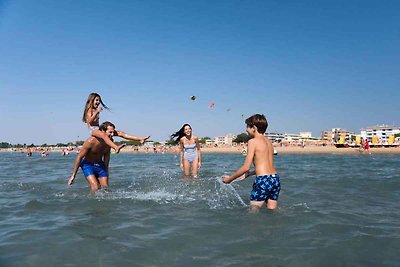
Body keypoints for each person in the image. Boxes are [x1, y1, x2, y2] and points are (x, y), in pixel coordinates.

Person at [222, 114, 281, 210]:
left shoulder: (252, 142)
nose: (246, 130)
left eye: (247, 127)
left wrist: (229, 179)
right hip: (275, 179)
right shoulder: (269, 142)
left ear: (254, 128)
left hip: (263, 180)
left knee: (253, 211)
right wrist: (250, 174)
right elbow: (266, 165)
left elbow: (246, 167)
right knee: (272, 210)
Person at [83, 93, 150, 153]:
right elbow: (89, 121)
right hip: (93, 129)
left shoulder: (95, 109)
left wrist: (97, 112)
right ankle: (115, 147)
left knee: (120, 133)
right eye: (97, 100)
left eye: (99, 100)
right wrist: (97, 112)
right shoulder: (89, 110)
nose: (98, 102)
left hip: (98, 128)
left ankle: (140, 139)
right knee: (104, 135)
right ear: (91, 100)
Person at [68, 121, 116, 191]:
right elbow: (79, 157)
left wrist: (106, 172)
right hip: (87, 165)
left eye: (113, 132)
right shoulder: (91, 141)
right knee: (96, 187)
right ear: (102, 131)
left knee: (105, 188)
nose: (112, 134)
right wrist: (73, 176)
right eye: (110, 132)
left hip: (100, 164)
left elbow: (107, 157)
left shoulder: (110, 141)